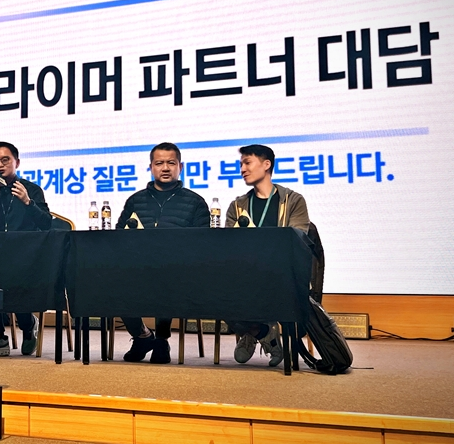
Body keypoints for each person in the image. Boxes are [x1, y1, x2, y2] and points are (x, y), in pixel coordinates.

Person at [115, 142, 209, 364]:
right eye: (159, 163)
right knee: (111, 280)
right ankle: (142, 336)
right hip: (138, 266)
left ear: (180, 167)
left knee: (166, 277)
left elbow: (204, 242)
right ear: (151, 167)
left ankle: (161, 340)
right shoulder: (135, 200)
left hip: (178, 269)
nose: (165, 168)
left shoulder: (195, 202)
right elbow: (119, 235)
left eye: (171, 163)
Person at [225, 144, 310, 368]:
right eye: (241, 164)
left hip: (281, 273)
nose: (242, 169)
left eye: (247, 163)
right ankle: (261, 332)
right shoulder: (237, 206)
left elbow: (297, 239)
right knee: (214, 292)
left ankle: (253, 330)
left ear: (266, 164)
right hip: (245, 273)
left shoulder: (292, 201)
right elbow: (228, 245)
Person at [0, 141, 52, 357]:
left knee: (16, 277)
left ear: (16, 162)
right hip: (0, 255)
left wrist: (28, 202)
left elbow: (46, 223)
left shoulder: (32, 190)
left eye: (5, 160)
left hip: (27, 256)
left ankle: (28, 327)